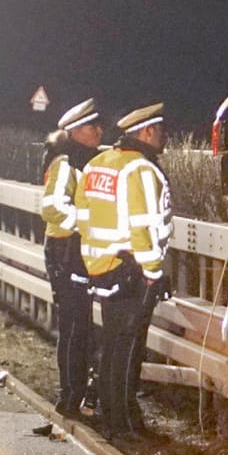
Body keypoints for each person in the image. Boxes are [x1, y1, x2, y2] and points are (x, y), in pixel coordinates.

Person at [75, 102, 171, 437]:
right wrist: (154, 272)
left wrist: (95, 260)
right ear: (147, 132)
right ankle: (125, 422)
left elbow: (84, 217)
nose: (164, 138)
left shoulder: (98, 163)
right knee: (129, 348)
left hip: (102, 267)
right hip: (132, 270)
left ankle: (109, 414)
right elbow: (143, 227)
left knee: (113, 342)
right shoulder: (141, 170)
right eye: (160, 131)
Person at [39, 98, 103, 415]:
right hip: (65, 252)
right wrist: (84, 223)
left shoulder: (87, 160)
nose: (100, 131)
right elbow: (51, 207)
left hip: (77, 252)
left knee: (82, 326)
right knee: (74, 326)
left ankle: (79, 393)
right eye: (94, 127)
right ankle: (69, 396)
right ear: (77, 130)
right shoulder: (66, 164)